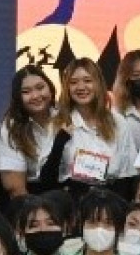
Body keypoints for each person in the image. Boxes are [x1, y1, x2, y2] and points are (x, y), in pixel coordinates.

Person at [56, 58, 133, 192]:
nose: (81, 87)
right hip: (71, 198)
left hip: (110, 199)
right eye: (73, 82)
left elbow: (128, 173)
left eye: (87, 80)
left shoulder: (118, 122)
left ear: (98, 84)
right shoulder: (57, 122)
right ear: (67, 88)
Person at [0, 66, 65, 201]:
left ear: (50, 88)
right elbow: (16, 189)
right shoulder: (9, 129)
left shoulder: (66, 118)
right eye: (26, 91)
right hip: (27, 201)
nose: (36, 96)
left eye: (40, 87)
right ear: (18, 97)